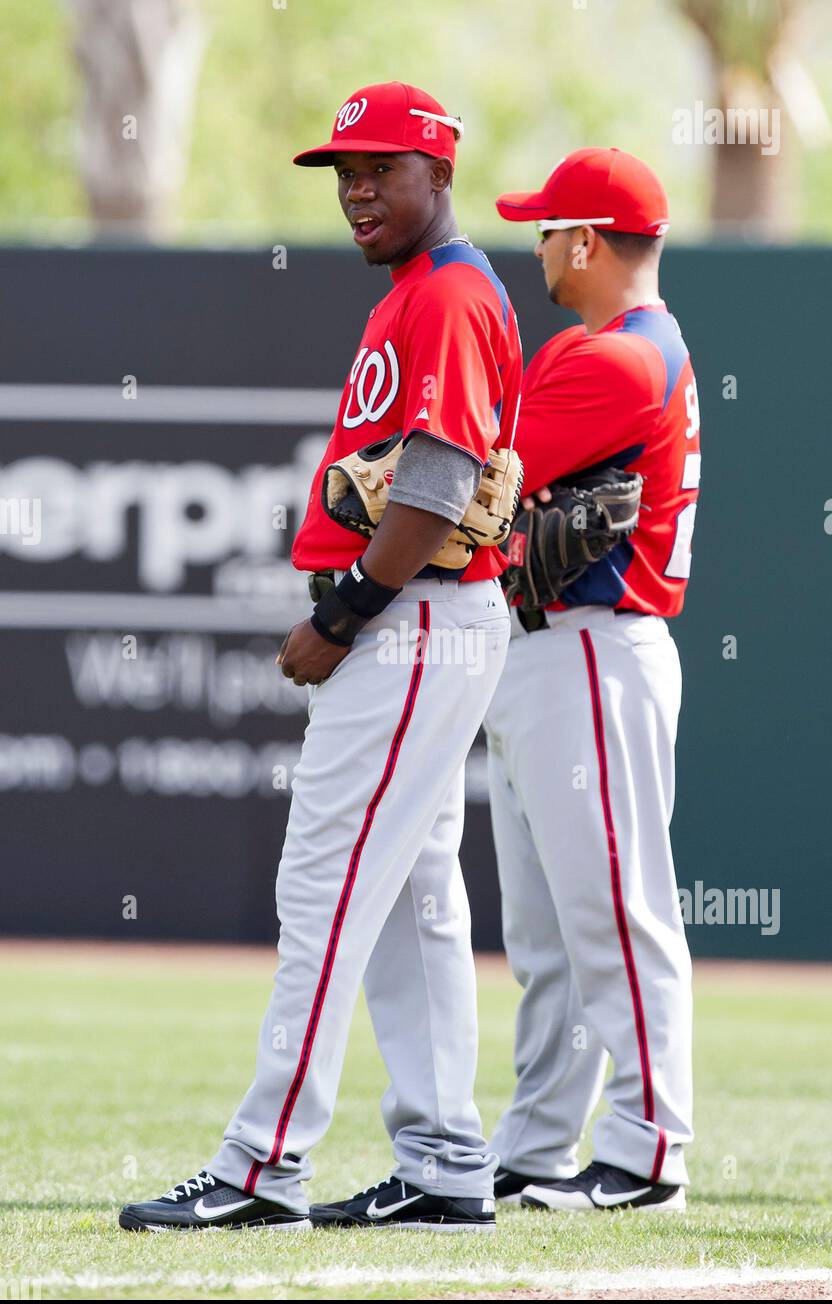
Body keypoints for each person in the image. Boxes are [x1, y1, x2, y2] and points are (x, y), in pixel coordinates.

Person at [119, 82, 522, 1233]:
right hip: (435, 621)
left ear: (437, 173)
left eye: (380, 169)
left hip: (414, 621)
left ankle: (262, 1165)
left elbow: (441, 485)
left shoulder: (443, 293)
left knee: (327, 882)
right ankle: (447, 1161)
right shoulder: (425, 289)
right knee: (409, 898)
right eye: (343, 172)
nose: (355, 190)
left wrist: (342, 613)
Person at [485, 148, 699, 1213]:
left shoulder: (615, 357)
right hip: (554, 646)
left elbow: (476, 472)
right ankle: (535, 1143)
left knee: (615, 912)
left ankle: (648, 1146)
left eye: (545, 227)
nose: (535, 246)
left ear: (584, 240)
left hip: (589, 643)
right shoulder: (608, 347)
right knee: (547, 935)